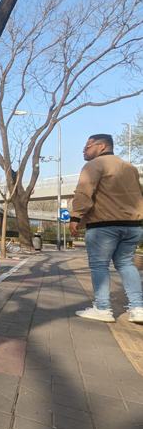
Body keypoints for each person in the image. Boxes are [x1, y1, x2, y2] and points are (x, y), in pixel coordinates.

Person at [70, 134, 143, 323]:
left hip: (104, 225)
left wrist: (75, 217)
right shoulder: (130, 168)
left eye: (87, 147)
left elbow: (84, 193)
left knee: (99, 265)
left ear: (101, 146)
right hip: (132, 225)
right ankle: (138, 308)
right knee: (126, 264)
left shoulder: (94, 165)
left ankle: (102, 309)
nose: (84, 151)